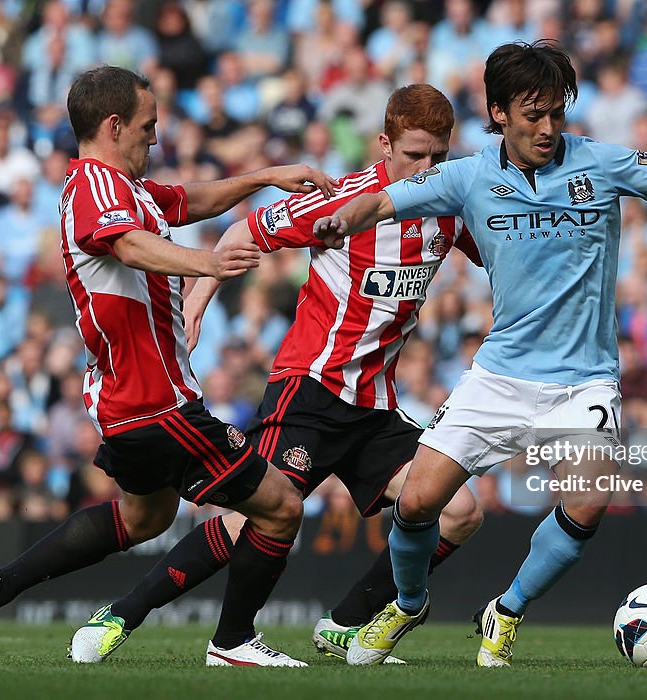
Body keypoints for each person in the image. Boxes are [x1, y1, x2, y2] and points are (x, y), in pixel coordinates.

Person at [313, 40, 647, 667]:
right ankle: (407, 604)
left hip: (583, 381)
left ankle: (506, 610)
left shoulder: (604, 164)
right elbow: (383, 199)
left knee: (588, 500)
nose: (547, 128)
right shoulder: (466, 175)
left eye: (557, 113)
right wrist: (344, 217)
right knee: (416, 503)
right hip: (500, 375)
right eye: (531, 113)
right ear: (498, 111)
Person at [0, 65, 337, 668]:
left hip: (129, 403)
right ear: (114, 125)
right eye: (148, 125)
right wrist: (207, 264)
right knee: (280, 506)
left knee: (147, 516)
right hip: (157, 402)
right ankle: (233, 642)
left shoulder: (128, 188)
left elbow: (188, 201)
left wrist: (269, 177)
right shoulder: (96, 188)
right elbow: (124, 243)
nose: (156, 135)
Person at [68, 84, 485, 665]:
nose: (428, 168)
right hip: (308, 391)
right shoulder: (344, 200)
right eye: (415, 155)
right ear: (384, 143)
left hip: (375, 406)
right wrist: (198, 299)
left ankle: (345, 623)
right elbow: (242, 234)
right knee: (253, 518)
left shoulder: (449, 206)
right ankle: (123, 615)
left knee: (461, 512)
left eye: (439, 157)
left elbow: (505, 253)